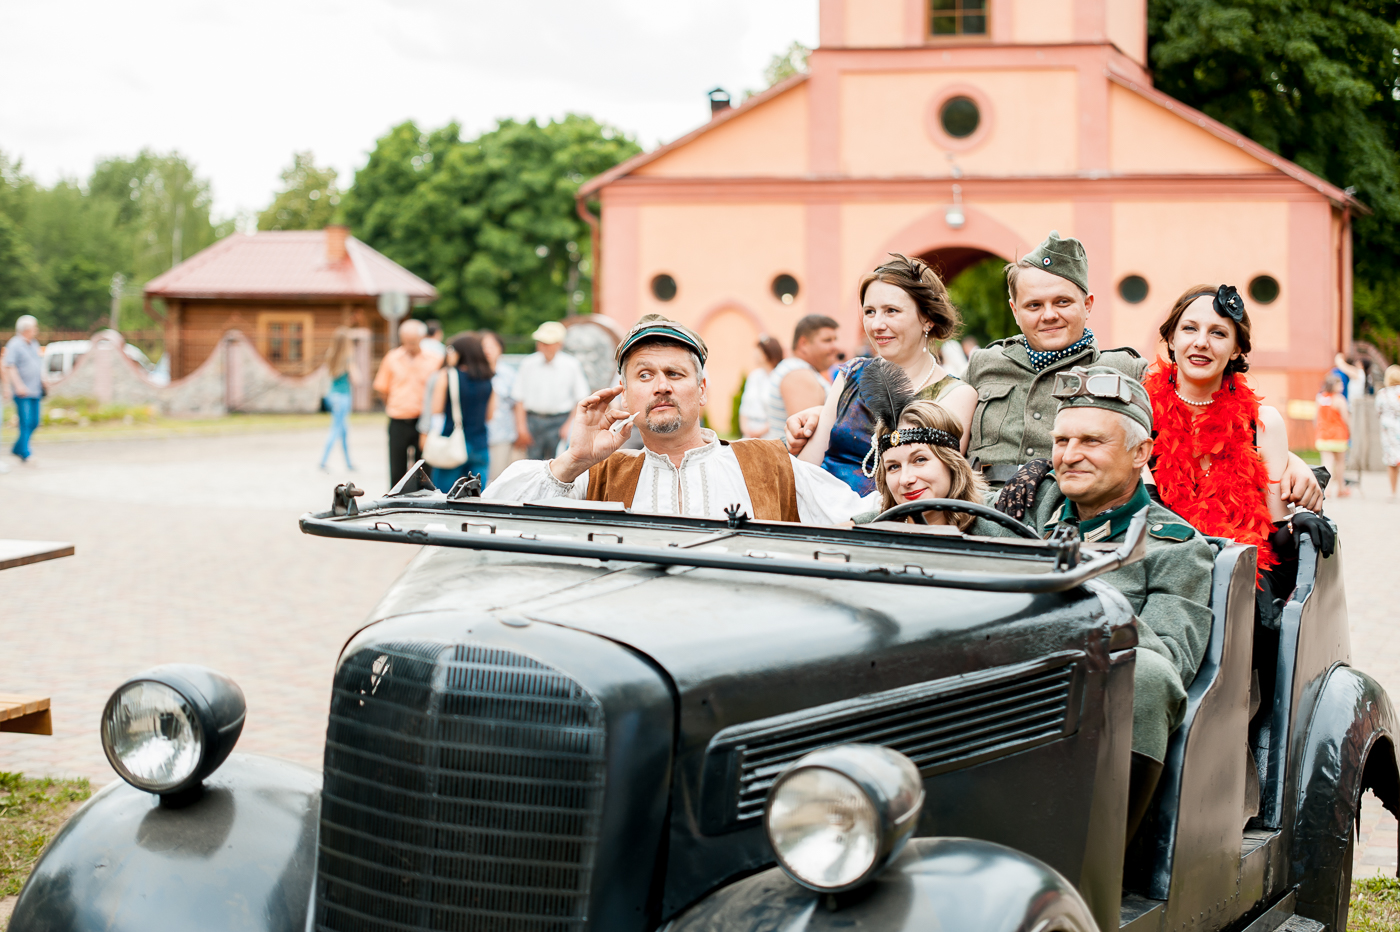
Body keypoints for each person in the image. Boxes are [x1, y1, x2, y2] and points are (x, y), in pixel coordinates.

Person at [978, 366, 1214, 839]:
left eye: (1091, 442)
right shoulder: (1030, 509)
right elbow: (945, 515)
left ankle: (1098, 853)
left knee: (1144, 675)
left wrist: (1089, 595)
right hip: (999, 696)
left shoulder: (1177, 547)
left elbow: (1168, 662)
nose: (1069, 456)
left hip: (1088, 716)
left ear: (1140, 453)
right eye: (1061, 442)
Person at [484, 314, 865, 523]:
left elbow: (868, 519)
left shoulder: (773, 464)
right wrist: (573, 461)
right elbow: (491, 518)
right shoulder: (595, 476)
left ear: (701, 390)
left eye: (676, 374)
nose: (661, 386)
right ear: (625, 391)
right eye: (645, 375)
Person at [1142, 285, 1329, 591]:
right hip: (1158, 575)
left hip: (1238, 583)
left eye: (1218, 333)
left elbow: (1272, 531)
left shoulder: (1263, 423)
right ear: (1172, 339)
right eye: (1189, 329)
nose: (1201, 342)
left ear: (1236, 349)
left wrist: (1297, 526)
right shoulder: (1139, 414)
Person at [960, 232, 1148, 474]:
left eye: (1062, 302)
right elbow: (947, 446)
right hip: (980, 505)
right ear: (1015, 311)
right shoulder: (983, 363)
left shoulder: (1127, 370)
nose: (1049, 315)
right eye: (1034, 305)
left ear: (1087, 305)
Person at [791, 255, 978, 495]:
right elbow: (805, 468)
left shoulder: (955, 395)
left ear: (927, 319)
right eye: (870, 312)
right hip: (818, 511)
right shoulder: (852, 374)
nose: (877, 325)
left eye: (891, 311)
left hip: (889, 523)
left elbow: (932, 490)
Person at [856, 392, 987, 528]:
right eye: (894, 467)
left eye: (919, 460)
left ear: (951, 463)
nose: (905, 479)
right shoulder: (867, 530)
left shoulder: (995, 525)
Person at [372, 318, 444, 488]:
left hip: (424, 422)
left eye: (413, 341)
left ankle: (425, 504)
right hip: (399, 420)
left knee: (425, 470)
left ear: (422, 338)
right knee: (397, 469)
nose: (410, 344)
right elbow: (382, 389)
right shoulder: (392, 358)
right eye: (406, 341)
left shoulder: (435, 359)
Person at [425, 332, 494, 491]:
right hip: (480, 443)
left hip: (452, 442)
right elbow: (489, 415)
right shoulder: (488, 378)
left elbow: (435, 409)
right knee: (476, 498)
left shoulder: (447, 375)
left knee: (445, 496)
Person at [512, 321, 590, 461]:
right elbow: (519, 398)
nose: (542, 346)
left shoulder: (571, 365)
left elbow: (580, 399)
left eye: (547, 342)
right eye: (541, 342)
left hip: (560, 421)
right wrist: (521, 427)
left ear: (559, 344)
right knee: (532, 464)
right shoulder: (528, 364)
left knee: (559, 464)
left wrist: (569, 426)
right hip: (533, 421)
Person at [765, 314, 841, 439]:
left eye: (835, 339)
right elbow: (807, 435)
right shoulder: (798, 374)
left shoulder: (796, 369)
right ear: (803, 343)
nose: (835, 347)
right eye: (827, 340)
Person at [479, 330, 522, 482]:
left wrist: (521, 429)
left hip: (502, 433)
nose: (488, 350)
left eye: (493, 346)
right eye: (484, 346)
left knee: (497, 477)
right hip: (477, 434)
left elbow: (518, 404)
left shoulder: (509, 374)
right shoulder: (472, 373)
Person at [4, 315, 43, 465]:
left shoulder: (34, 343)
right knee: (25, 422)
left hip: (36, 389)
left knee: (34, 422)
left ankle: (17, 448)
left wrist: (43, 379)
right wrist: (18, 385)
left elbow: (39, 363)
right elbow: (10, 366)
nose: (36, 330)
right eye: (35, 327)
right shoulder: (14, 344)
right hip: (22, 391)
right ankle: (26, 452)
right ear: (27, 329)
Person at [318, 327, 357, 472]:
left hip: (332, 395)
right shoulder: (348, 358)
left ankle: (348, 463)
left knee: (344, 431)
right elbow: (356, 378)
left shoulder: (331, 355)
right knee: (336, 430)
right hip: (343, 397)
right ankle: (323, 462)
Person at [738, 335, 783, 438]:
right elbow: (744, 406)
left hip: (770, 434)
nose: (755, 355)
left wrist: (760, 431)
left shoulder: (779, 378)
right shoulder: (754, 376)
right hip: (749, 433)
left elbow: (780, 411)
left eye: (758, 351)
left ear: (767, 354)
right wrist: (745, 429)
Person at [1315, 374, 1350, 499]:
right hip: (1338, 435)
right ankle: (1341, 488)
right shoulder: (1339, 399)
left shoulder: (1320, 398)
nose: (1342, 386)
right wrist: (1350, 431)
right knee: (1340, 463)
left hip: (1323, 435)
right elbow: (1346, 418)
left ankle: (1327, 489)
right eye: (1339, 384)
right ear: (1334, 385)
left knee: (1326, 463)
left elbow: (1316, 417)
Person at [1378, 365, 1400, 498]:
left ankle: (1393, 493)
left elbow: (1378, 410)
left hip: (1388, 432)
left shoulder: (1383, 393)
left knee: (1391, 462)